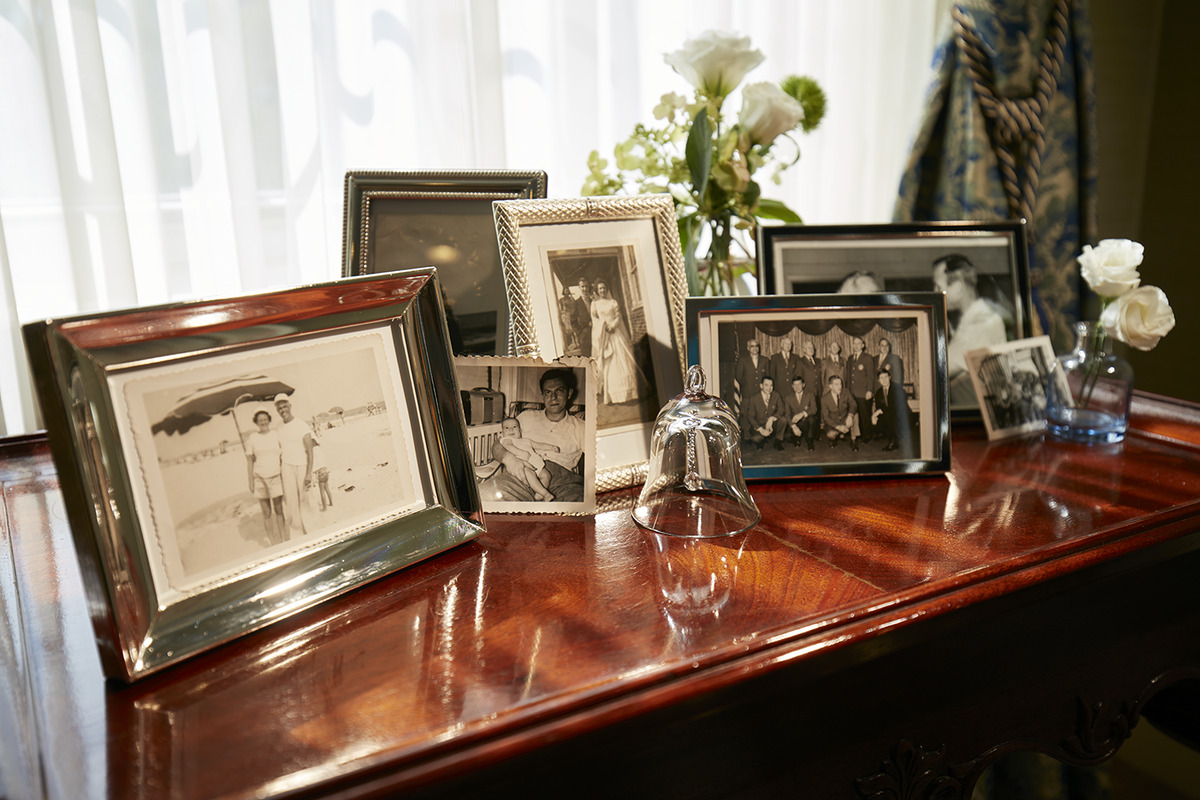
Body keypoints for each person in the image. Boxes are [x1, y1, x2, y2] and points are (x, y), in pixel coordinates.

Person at [490, 368, 585, 502]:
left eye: (559, 391)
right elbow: (498, 444)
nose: (553, 397)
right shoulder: (526, 417)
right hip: (524, 474)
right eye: (548, 392)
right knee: (486, 494)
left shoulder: (581, 427)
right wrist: (509, 459)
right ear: (543, 395)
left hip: (563, 482)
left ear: (569, 393)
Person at [933, 253, 1008, 405]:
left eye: (938, 287)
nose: (934, 291)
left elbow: (937, 370)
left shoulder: (982, 323)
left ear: (958, 288)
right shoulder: (971, 318)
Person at [590, 280, 642, 405]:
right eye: (600, 288)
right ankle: (613, 395)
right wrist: (604, 326)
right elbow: (595, 319)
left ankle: (630, 392)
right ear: (597, 290)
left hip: (615, 333)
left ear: (607, 289)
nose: (602, 290)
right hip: (605, 335)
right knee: (609, 362)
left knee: (623, 359)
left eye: (604, 288)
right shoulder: (595, 304)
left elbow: (618, 316)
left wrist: (613, 325)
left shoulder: (613, 302)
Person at [274, 393, 315, 538]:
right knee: (291, 502)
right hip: (286, 467)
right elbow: (278, 451)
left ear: (290, 406)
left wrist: (309, 473)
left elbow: (310, 450)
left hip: (302, 465)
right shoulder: (278, 428)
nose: (282, 410)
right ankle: (296, 534)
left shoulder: (301, 424)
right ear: (276, 410)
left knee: (306, 499)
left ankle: (312, 530)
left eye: (285, 406)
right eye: (279, 408)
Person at [245, 409, 284, 544]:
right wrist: (250, 481)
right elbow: (249, 460)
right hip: (259, 479)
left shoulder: (276, 434)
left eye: (265, 419)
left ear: (269, 419)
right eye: (260, 420)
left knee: (279, 510)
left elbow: (282, 456)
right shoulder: (252, 438)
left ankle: (284, 539)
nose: (263, 422)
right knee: (266, 513)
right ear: (256, 422)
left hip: (276, 476)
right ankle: (274, 542)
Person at [497, 416, 557, 502]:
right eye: (507, 428)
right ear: (502, 433)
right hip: (522, 464)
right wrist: (520, 452)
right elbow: (509, 447)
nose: (511, 430)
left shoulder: (526, 440)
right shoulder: (506, 439)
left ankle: (539, 494)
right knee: (530, 474)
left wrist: (551, 447)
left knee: (546, 475)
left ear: (520, 431)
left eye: (514, 427)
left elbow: (538, 445)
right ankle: (545, 494)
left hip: (535, 463)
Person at [871, 369, 912, 454]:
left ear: (890, 377)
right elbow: (879, 408)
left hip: (901, 414)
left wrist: (878, 412)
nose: (884, 380)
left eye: (886, 377)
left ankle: (893, 441)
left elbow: (896, 407)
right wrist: (874, 415)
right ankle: (889, 435)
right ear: (878, 380)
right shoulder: (878, 393)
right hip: (889, 414)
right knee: (879, 419)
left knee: (890, 416)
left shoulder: (898, 389)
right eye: (881, 378)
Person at [742, 375, 784, 450]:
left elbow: (782, 410)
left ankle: (778, 441)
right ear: (761, 386)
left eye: (771, 385)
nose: (769, 388)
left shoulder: (776, 395)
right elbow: (750, 417)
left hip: (772, 424)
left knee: (783, 420)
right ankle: (762, 441)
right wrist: (761, 429)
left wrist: (772, 419)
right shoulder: (754, 398)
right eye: (766, 385)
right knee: (756, 438)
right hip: (759, 425)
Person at [846, 336, 876, 441]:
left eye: (858, 343)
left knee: (864, 415)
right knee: (853, 415)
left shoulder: (867, 358)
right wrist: (848, 392)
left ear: (863, 346)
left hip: (863, 393)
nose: (856, 345)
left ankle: (866, 436)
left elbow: (871, 376)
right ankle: (854, 435)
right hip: (852, 393)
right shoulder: (850, 358)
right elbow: (849, 377)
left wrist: (869, 391)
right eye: (854, 343)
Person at [821, 375, 860, 451]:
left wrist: (850, 415)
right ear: (830, 386)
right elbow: (826, 418)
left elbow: (853, 404)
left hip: (845, 420)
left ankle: (853, 440)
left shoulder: (846, 392)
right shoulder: (824, 399)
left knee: (855, 415)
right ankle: (833, 439)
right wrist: (838, 427)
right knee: (831, 434)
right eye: (836, 384)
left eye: (840, 384)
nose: (840, 387)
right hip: (834, 423)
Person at [732, 338, 770, 414]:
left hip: (761, 394)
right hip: (747, 395)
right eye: (752, 346)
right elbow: (738, 377)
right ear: (748, 348)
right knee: (747, 416)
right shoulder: (742, 360)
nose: (755, 348)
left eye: (756, 346)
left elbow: (768, 377)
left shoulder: (765, 360)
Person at [783, 375, 819, 451]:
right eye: (795, 385)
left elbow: (814, 409)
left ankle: (810, 442)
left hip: (806, 422)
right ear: (792, 386)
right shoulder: (788, 398)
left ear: (803, 385)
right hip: (796, 423)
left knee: (812, 419)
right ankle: (796, 440)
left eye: (799, 384)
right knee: (787, 436)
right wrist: (793, 426)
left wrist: (802, 413)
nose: (797, 387)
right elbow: (787, 414)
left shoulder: (810, 395)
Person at [311, 429, 333, 511]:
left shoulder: (312, 451)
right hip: (325, 469)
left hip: (319, 471)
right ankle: (331, 502)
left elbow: (314, 463)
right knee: (327, 488)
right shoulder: (319, 449)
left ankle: (324, 507)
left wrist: (313, 472)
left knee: (321, 491)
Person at [572, 277, 593, 357]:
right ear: (579, 287)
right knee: (587, 358)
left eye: (586, 286)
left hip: (596, 333)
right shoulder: (577, 303)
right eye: (582, 287)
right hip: (584, 336)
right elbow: (573, 320)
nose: (585, 289)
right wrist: (580, 333)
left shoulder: (592, 301)